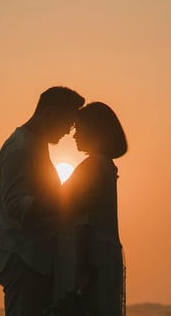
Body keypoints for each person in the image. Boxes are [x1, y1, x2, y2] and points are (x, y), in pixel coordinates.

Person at [0, 86, 86, 316]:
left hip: (36, 259)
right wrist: (71, 201)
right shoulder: (20, 148)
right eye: (68, 123)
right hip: (25, 259)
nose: (68, 131)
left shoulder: (34, 145)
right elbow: (17, 206)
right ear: (49, 113)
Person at [56, 102, 128, 316]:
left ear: (95, 130)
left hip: (90, 257)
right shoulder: (105, 164)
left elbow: (85, 220)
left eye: (79, 128)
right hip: (103, 255)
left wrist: (81, 267)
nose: (74, 135)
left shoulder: (93, 166)